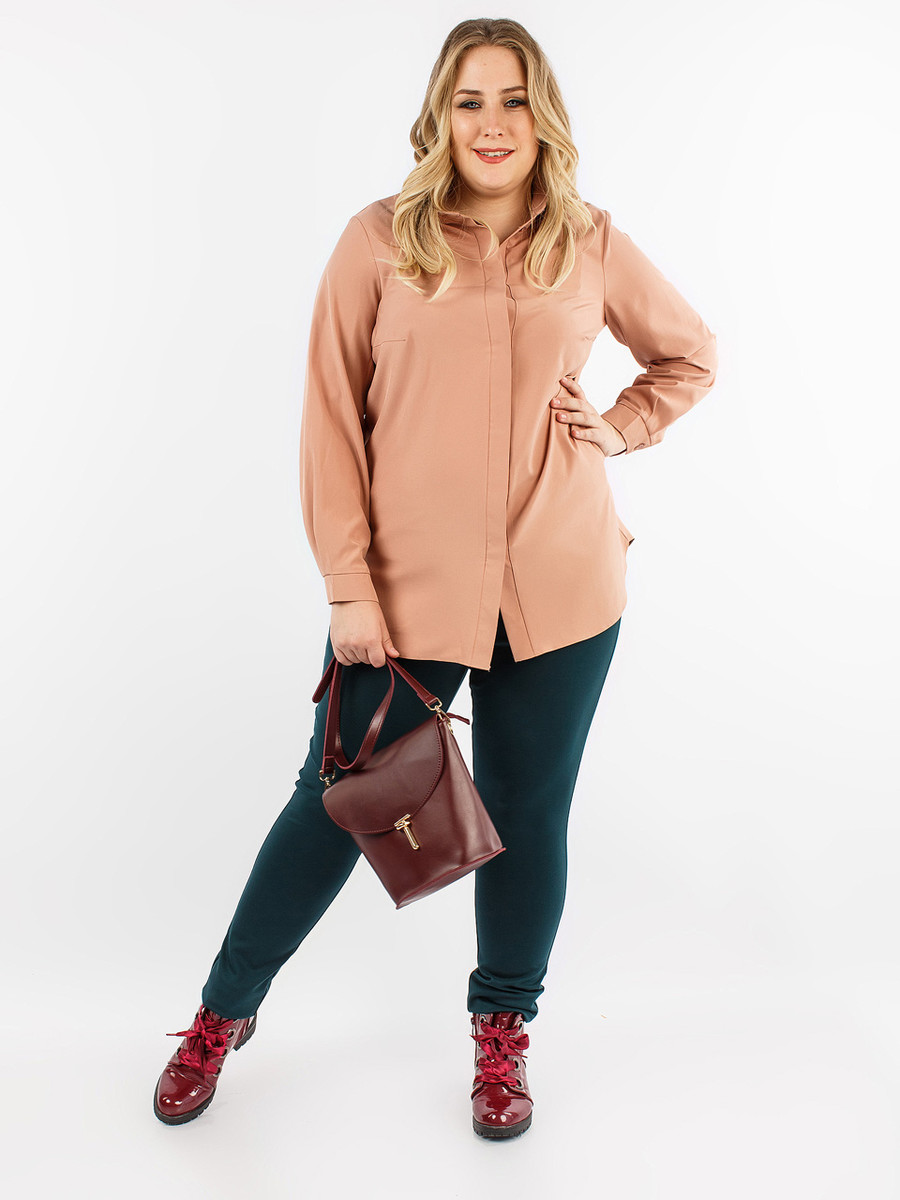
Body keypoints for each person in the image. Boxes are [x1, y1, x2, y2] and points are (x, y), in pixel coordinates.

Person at [153, 17, 718, 1139]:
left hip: (561, 588)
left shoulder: (591, 241)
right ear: (439, 117)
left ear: (541, 116)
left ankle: (502, 1034)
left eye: (512, 100)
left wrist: (617, 427)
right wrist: (346, 586)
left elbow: (689, 353)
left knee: (527, 814)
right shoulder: (378, 241)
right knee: (333, 803)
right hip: (403, 593)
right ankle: (223, 1012)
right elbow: (330, 422)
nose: (492, 124)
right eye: (470, 101)